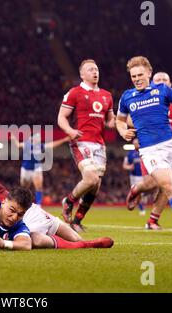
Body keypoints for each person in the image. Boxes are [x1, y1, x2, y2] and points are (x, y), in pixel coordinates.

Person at [116, 56, 172, 238]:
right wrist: (123, 131)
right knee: (168, 186)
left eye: (140, 74)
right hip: (149, 150)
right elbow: (119, 120)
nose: (137, 79)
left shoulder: (163, 90)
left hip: (171, 145)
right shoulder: (127, 97)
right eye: (133, 76)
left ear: (149, 73)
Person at [57, 59, 115, 232]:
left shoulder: (107, 95)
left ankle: (77, 221)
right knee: (91, 178)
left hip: (99, 144)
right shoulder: (75, 92)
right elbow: (61, 117)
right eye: (90, 69)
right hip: (80, 141)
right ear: (82, 74)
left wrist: (122, 124)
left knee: (95, 185)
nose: (94, 72)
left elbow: (110, 121)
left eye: (96, 69)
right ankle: (68, 201)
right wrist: (70, 130)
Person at [11, 132, 70, 206]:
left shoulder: (40, 146)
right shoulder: (27, 145)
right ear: (33, 139)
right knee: (24, 188)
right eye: (37, 138)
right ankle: (22, 202)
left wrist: (64, 140)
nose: (38, 139)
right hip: (26, 169)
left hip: (36, 168)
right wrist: (13, 139)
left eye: (38, 138)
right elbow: (18, 145)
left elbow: (52, 145)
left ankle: (39, 205)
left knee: (39, 187)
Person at [122, 138, 146, 216]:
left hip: (144, 176)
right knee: (137, 193)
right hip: (134, 176)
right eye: (134, 144)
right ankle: (141, 208)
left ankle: (141, 206)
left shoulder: (145, 152)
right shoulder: (130, 154)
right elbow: (124, 165)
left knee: (142, 194)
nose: (136, 145)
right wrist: (129, 167)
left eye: (137, 143)